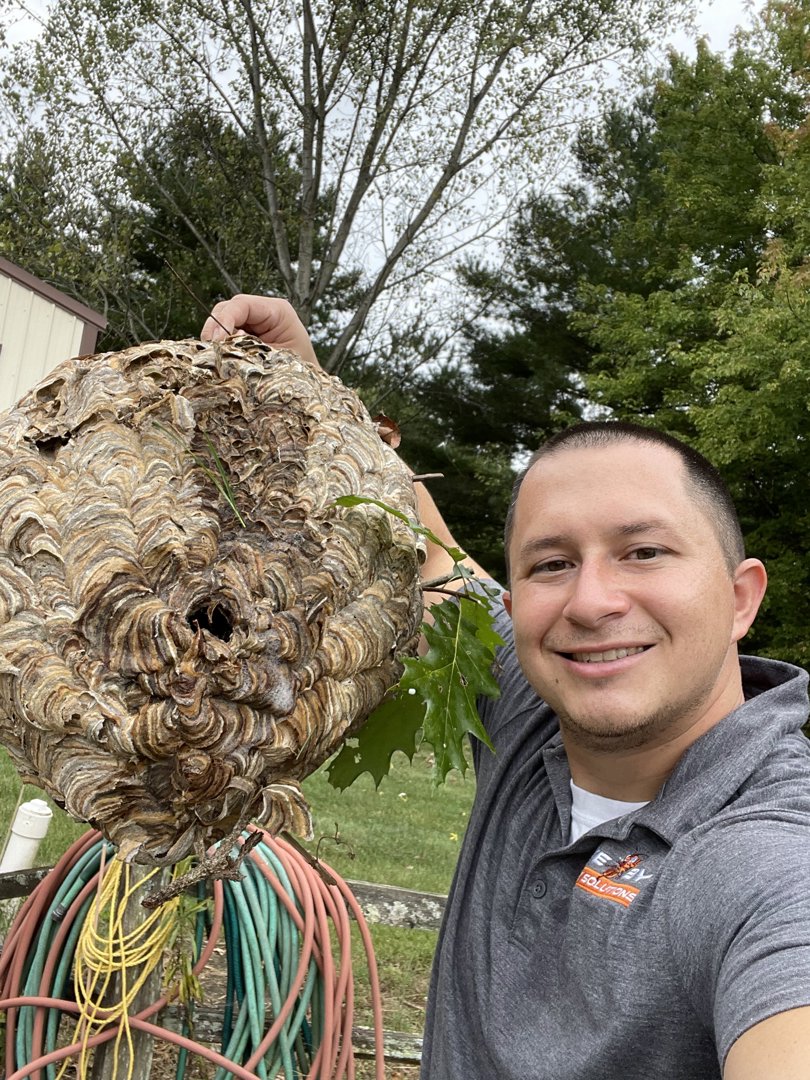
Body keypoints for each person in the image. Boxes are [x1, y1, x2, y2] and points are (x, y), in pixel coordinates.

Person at [202, 296, 810, 1079]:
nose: (591, 603)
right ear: (516, 610)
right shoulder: (531, 710)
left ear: (740, 598)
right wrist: (304, 385)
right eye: (552, 564)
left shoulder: (770, 854)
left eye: (645, 552)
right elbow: (424, 550)